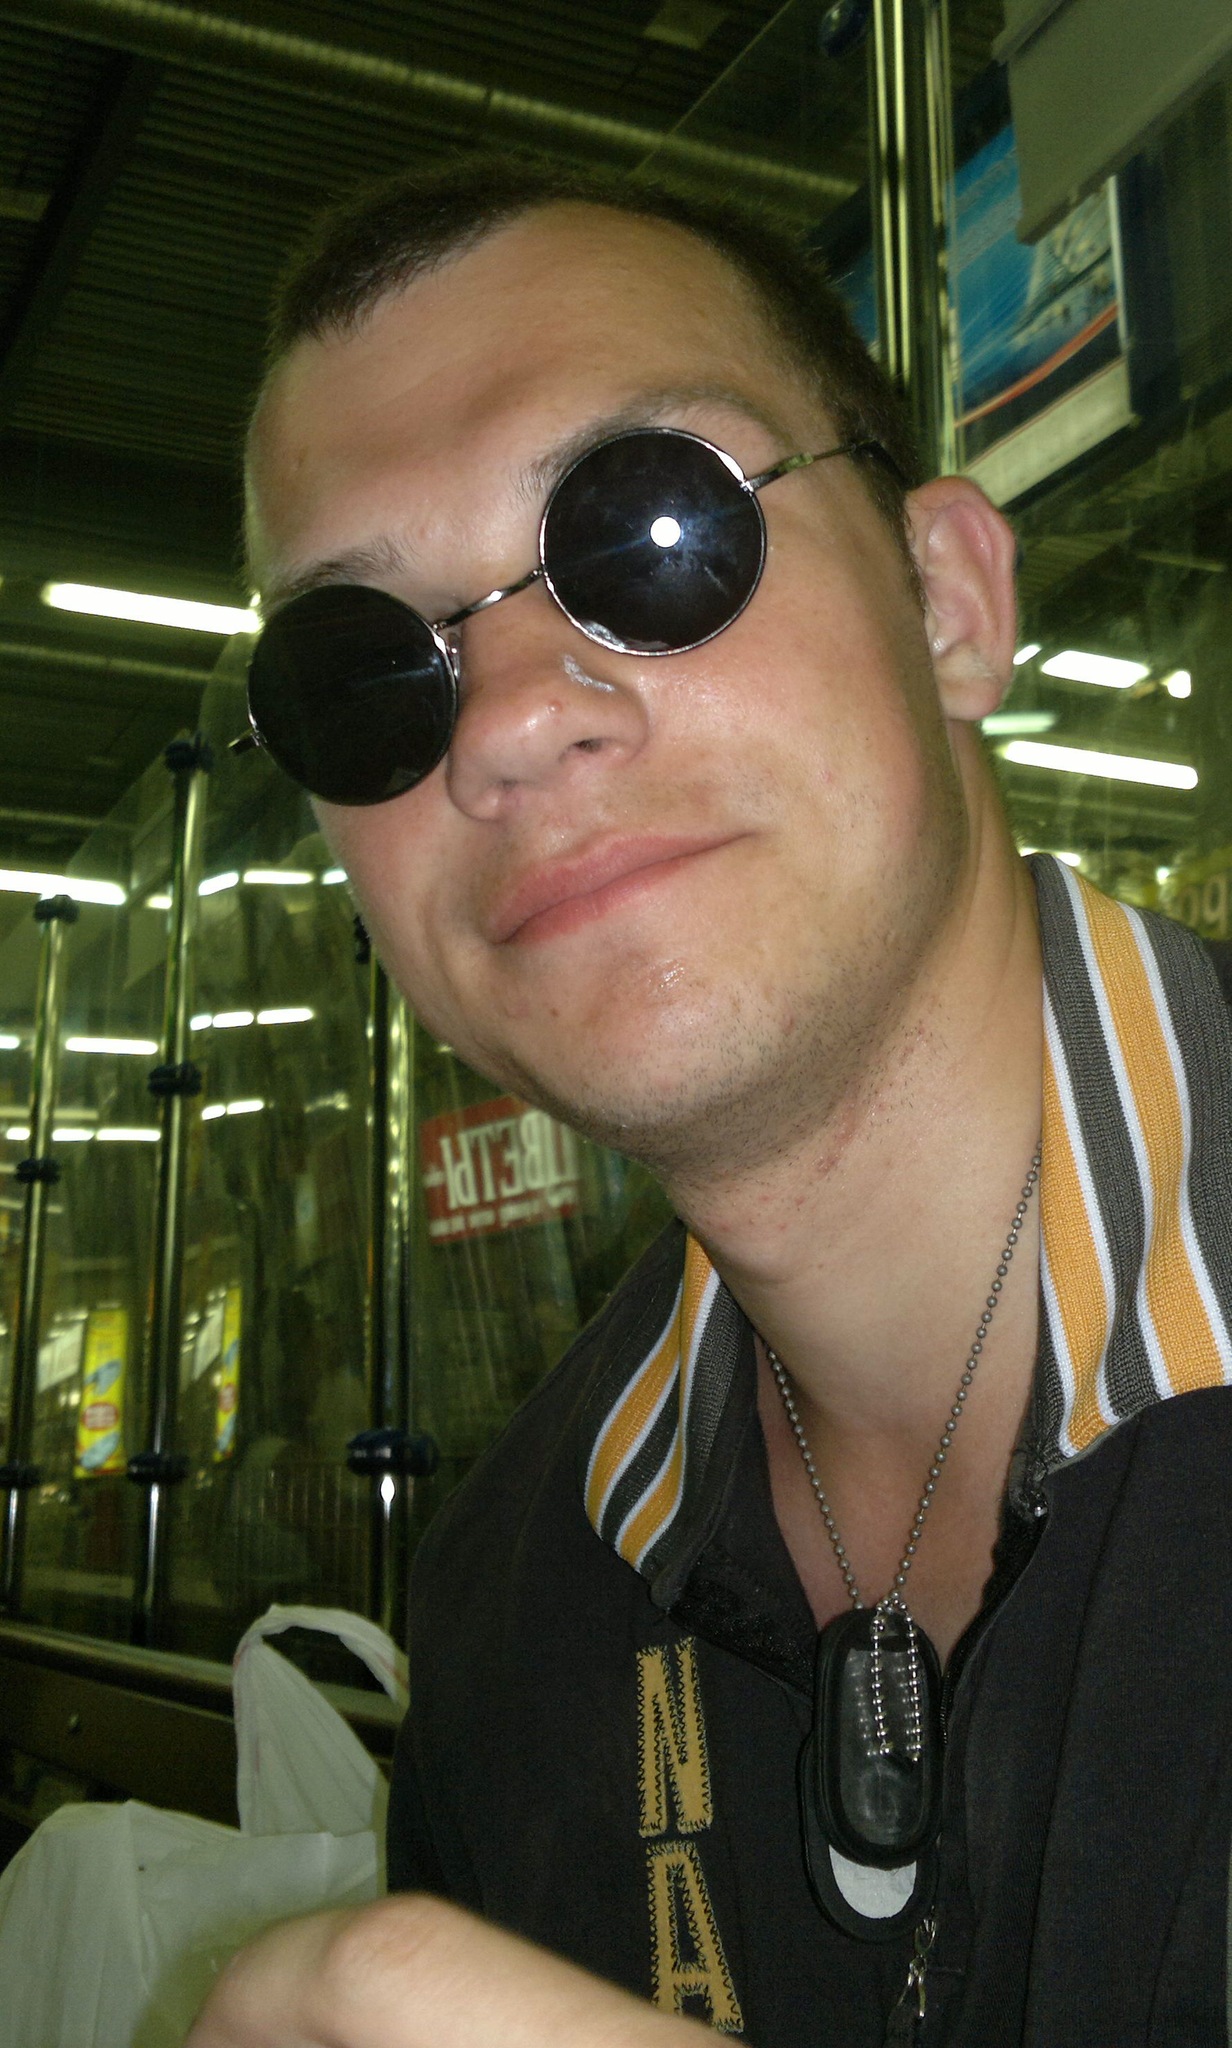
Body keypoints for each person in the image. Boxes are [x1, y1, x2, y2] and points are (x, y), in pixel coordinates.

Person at [192, 156, 1232, 2046]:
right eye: (365, 672)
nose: (508, 722)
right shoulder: (515, 1613)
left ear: (947, 603)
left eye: (649, 531)